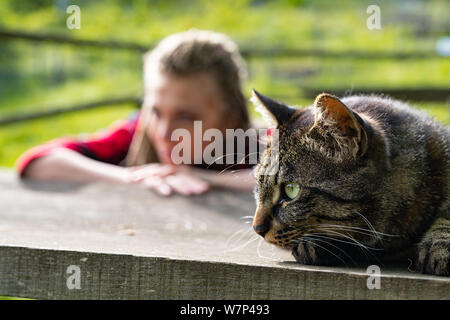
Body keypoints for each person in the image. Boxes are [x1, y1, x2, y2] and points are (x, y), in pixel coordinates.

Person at [16, 29, 258, 196]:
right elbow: (39, 161)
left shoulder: (255, 145)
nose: (164, 132)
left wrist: (200, 178)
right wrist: (134, 178)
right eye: (155, 110)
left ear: (230, 117)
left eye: (186, 117)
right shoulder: (135, 132)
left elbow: (288, 178)